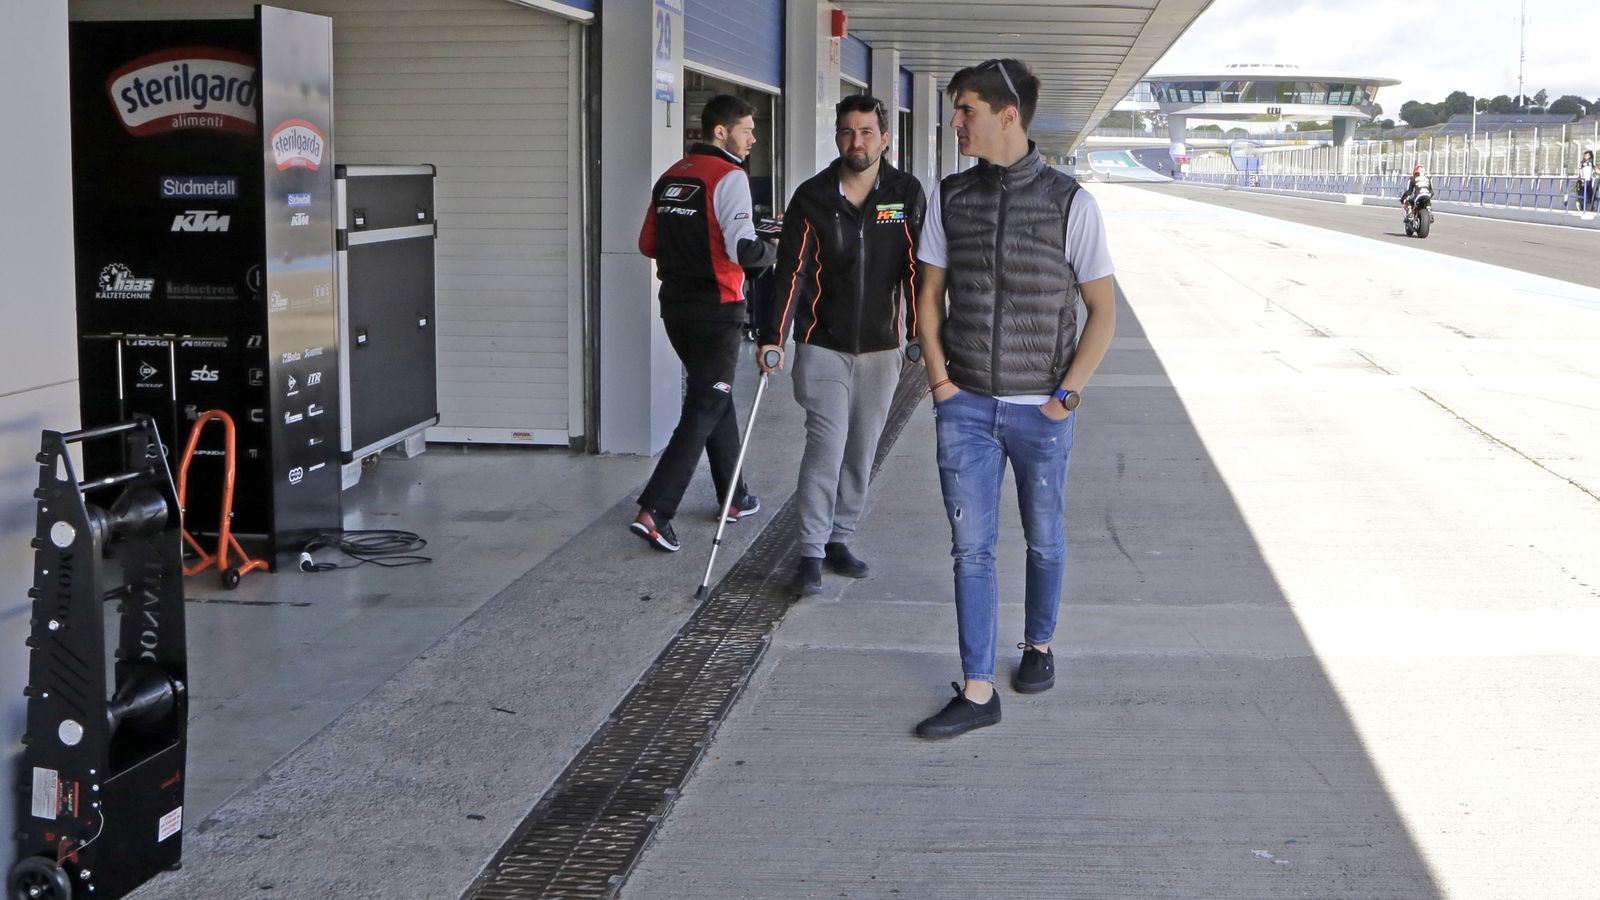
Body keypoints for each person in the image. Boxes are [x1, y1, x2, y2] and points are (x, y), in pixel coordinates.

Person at [909, 58, 1117, 740]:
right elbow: (929, 296)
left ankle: (1039, 644)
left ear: (1008, 115)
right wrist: (940, 383)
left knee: (1044, 538)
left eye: (965, 109)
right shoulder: (950, 196)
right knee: (971, 548)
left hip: (1041, 411)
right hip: (965, 404)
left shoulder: (1070, 203)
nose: (955, 122)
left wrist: (1066, 397)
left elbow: (1102, 312)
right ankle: (976, 689)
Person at [757, 95, 926, 596]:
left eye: (868, 132)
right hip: (821, 343)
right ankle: (809, 549)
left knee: (861, 448)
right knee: (826, 444)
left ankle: (839, 537)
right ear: (837, 136)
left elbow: (916, 270)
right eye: (849, 131)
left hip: (882, 346)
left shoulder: (904, 192)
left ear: (885, 138)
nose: (858, 141)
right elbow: (791, 273)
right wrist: (774, 335)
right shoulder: (812, 197)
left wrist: (917, 332)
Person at [632, 94, 777, 552]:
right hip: (717, 311)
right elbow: (745, 253)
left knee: (715, 396)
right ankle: (656, 510)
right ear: (721, 132)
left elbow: (647, 243)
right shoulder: (730, 177)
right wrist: (779, 245)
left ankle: (734, 496)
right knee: (705, 406)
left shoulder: (672, 176)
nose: (753, 136)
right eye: (747, 128)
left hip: (675, 309)